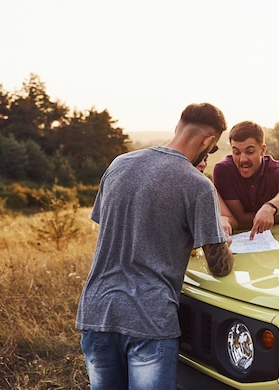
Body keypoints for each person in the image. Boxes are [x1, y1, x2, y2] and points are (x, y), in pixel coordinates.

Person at [76, 102, 234, 390]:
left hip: (97, 311)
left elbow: (114, 229)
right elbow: (219, 267)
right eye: (212, 150)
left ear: (178, 127)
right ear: (208, 141)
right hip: (149, 320)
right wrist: (221, 235)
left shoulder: (118, 165)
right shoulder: (197, 185)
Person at [213, 120, 279, 240]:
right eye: (236, 152)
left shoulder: (278, 169)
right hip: (237, 245)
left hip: (276, 243)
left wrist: (269, 208)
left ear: (262, 150)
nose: (242, 159)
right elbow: (238, 220)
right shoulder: (223, 170)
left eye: (249, 152)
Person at [195, 151, 238, 236]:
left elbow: (233, 221)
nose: (203, 164)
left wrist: (222, 220)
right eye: (198, 159)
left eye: (205, 159)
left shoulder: (205, 188)